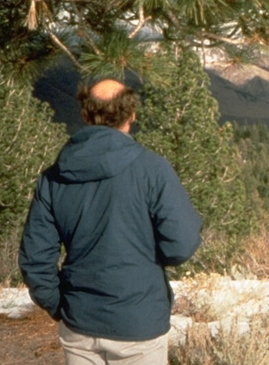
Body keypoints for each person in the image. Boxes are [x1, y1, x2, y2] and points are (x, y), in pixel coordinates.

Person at [19, 78, 203, 365]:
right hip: (139, 323)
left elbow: (35, 260)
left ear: (85, 114)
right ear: (132, 115)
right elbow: (181, 244)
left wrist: (63, 307)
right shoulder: (152, 169)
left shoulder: (53, 177)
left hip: (80, 324)